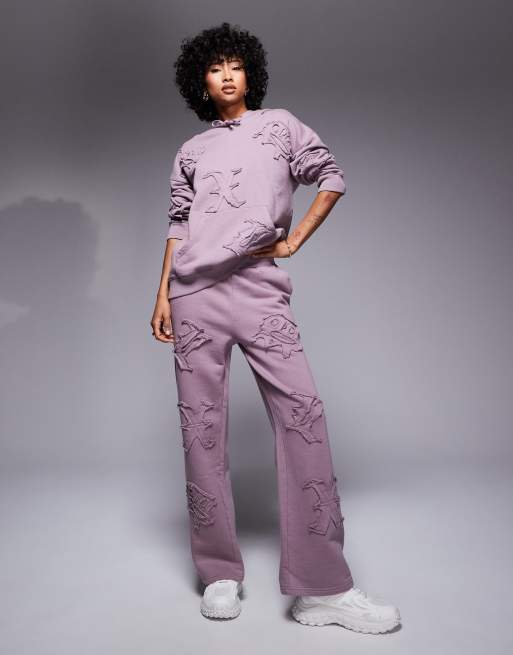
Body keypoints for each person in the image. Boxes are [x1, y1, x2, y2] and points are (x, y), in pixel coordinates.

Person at [150, 22, 401, 633]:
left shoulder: (281, 126)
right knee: (201, 434)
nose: (226, 75)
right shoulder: (191, 150)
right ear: (201, 82)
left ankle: (322, 588)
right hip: (192, 297)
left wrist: (292, 242)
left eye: (235, 65)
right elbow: (179, 225)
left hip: (260, 291)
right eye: (215, 68)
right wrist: (161, 295)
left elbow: (330, 177)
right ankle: (219, 574)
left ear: (250, 74)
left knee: (303, 416)